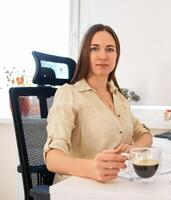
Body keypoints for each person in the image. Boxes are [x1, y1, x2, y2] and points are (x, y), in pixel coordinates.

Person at [44, 24, 153, 183]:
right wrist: (91, 168)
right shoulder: (69, 94)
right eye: (94, 49)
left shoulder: (118, 97)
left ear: (117, 55)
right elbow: (52, 159)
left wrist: (133, 149)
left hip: (114, 184)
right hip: (77, 188)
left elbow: (145, 135)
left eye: (110, 49)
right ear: (85, 54)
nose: (103, 56)